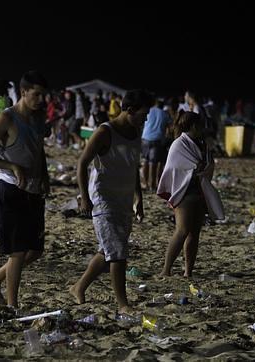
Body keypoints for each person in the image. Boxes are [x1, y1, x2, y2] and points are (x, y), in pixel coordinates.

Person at [70, 89, 152, 314]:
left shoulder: (136, 133)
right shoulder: (105, 132)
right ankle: (123, 304)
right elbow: (82, 164)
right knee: (117, 253)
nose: (145, 119)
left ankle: (78, 287)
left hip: (124, 199)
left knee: (107, 251)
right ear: (130, 110)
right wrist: (85, 198)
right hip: (103, 199)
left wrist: (139, 198)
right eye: (143, 114)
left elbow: (133, 167)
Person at [0, 71, 50, 308]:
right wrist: (11, 166)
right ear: (23, 92)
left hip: (34, 190)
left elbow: (39, 150)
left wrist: (45, 177)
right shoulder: (6, 118)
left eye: (44, 95)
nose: (41, 99)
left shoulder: (39, 118)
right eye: (36, 94)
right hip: (11, 188)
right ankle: (12, 305)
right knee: (17, 252)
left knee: (36, 250)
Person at [158, 111, 224, 277]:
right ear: (194, 126)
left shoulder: (201, 144)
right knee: (182, 231)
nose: (203, 128)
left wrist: (201, 168)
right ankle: (166, 270)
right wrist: (198, 169)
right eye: (201, 125)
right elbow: (174, 168)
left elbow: (207, 165)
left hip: (200, 192)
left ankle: (188, 272)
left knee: (194, 233)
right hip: (185, 192)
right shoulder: (179, 144)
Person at [141, 100, 172, 191]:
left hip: (145, 138)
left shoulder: (148, 110)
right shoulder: (165, 114)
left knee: (145, 161)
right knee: (153, 164)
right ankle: (152, 185)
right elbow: (169, 129)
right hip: (157, 140)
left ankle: (144, 183)